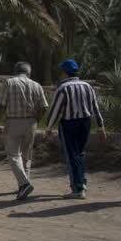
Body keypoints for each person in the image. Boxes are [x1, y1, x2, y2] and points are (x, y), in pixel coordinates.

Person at [45, 58, 107, 199]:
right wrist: (101, 126)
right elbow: (95, 107)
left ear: (64, 73)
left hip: (69, 124)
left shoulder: (63, 88)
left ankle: (77, 189)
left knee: (71, 155)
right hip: (85, 123)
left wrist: (48, 128)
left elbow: (55, 110)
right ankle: (82, 182)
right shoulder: (87, 86)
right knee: (80, 153)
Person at [0, 61, 48, 200]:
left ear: (15, 70)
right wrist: (37, 119)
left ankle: (24, 184)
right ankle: (23, 184)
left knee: (13, 155)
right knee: (26, 154)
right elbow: (44, 107)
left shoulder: (10, 83)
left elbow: (0, 105)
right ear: (28, 72)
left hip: (13, 121)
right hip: (31, 122)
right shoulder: (36, 85)